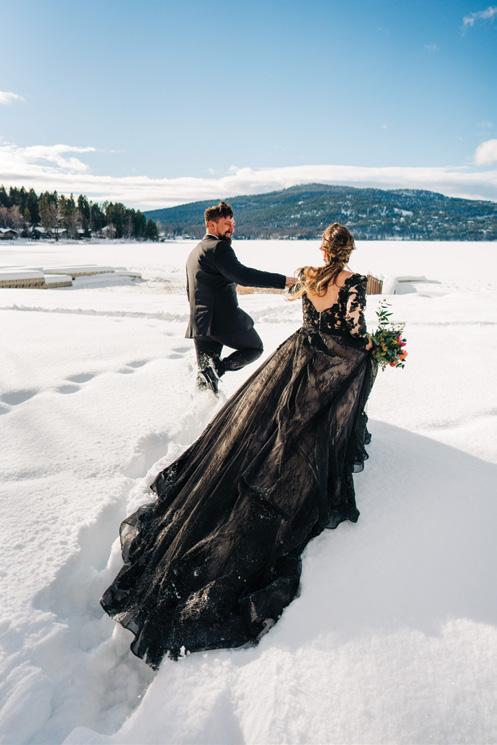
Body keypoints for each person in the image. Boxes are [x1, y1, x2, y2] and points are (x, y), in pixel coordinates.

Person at [100, 223, 377, 669]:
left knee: (273, 421)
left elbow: (309, 315)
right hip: (329, 359)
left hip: (300, 353)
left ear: (324, 249)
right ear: (349, 252)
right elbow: (354, 329)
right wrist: (374, 346)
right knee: (354, 374)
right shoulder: (354, 282)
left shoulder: (308, 275)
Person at [184, 200, 296, 393]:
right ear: (211, 225)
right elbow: (243, 276)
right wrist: (283, 281)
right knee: (255, 348)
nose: (231, 228)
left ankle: (201, 409)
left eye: (233, 223)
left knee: (205, 380)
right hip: (222, 320)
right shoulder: (219, 247)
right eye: (226, 223)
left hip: (200, 324)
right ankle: (218, 369)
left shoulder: (195, 251)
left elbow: (190, 290)